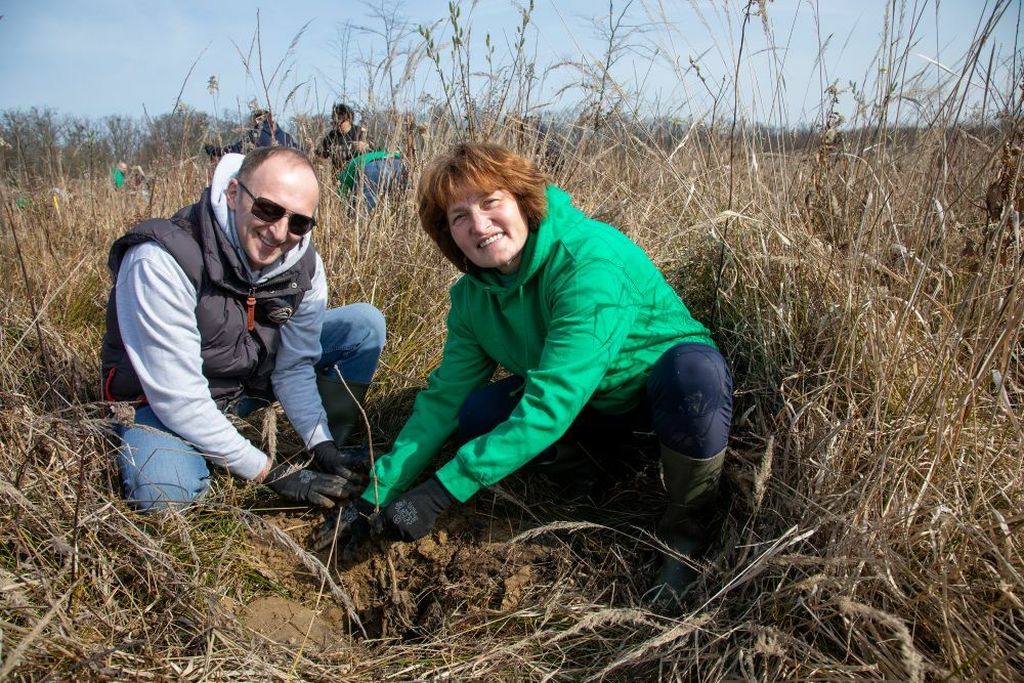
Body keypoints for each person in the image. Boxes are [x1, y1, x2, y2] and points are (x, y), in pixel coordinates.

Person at [313, 142, 732, 608]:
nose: (479, 225)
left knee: (696, 377)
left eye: (491, 202)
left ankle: (685, 533)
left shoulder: (588, 260)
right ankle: (593, 468)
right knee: (476, 412)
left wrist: (440, 493)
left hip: (655, 397)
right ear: (448, 236)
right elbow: (443, 400)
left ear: (524, 202)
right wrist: (375, 492)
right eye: (459, 217)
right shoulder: (472, 300)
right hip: (586, 409)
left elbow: (550, 401)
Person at [101, 146, 386, 512]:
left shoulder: (304, 267)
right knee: (163, 492)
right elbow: (180, 399)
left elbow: (294, 367)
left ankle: (329, 455)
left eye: (299, 222)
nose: (280, 232)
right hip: (162, 403)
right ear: (234, 194)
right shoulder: (160, 261)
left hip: (249, 379)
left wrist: (322, 444)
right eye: (268, 209)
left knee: (363, 325)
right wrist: (271, 472)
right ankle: (208, 456)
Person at [316, 103, 407, 211]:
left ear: (348, 119)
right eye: (334, 122)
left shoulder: (361, 133)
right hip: (340, 181)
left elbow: (378, 153)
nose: (337, 125)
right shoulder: (330, 137)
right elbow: (321, 156)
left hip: (360, 178)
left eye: (340, 122)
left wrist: (366, 147)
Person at [205, 109, 301, 157]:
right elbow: (300, 152)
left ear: (257, 121)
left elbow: (235, 151)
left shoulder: (255, 136)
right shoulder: (287, 137)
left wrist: (213, 150)